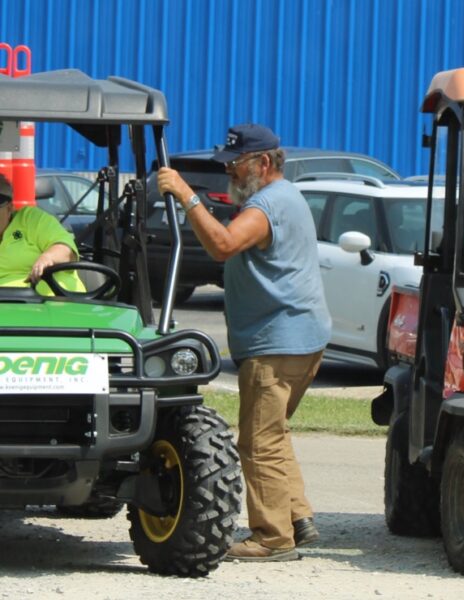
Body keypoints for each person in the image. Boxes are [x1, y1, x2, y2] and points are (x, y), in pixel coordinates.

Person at [157, 123, 331, 562]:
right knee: (272, 434)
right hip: (299, 338)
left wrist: (186, 195)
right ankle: (296, 517)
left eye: (236, 166)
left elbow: (223, 245)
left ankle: (273, 537)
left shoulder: (268, 204)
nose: (230, 174)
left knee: (258, 442)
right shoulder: (287, 197)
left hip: (277, 343)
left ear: (265, 163)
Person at [0, 173, 84, 294]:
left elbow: (66, 250)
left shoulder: (31, 220)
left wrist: (47, 258)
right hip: (7, 306)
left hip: (56, 302)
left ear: (9, 208)